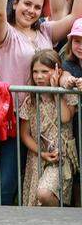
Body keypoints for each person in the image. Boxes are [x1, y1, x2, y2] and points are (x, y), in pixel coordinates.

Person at [18, 49, 78, 206]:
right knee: (34, 201)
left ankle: (60, 220)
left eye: (45, 71)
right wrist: (42, 153)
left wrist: (57, 91)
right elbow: (25, 134)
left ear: (57, 71)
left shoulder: (66, 94)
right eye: (35, 72)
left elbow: (65, 117)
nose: (39, 76)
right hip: (38, 156)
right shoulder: (30, 100)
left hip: (60, 157)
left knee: (44, 193)